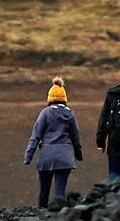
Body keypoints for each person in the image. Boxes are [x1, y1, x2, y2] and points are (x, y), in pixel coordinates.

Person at [23, 76, 83, 207]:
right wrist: (78, 154)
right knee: (60, 192)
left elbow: (36, 136)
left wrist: (28, 156)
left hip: (47, 157)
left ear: (50, 98)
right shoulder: (70, 114)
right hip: (65, 157)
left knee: (43, 192)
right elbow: (75, 137)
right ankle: (59, 218)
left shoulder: (45, 113)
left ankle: (40, 216)